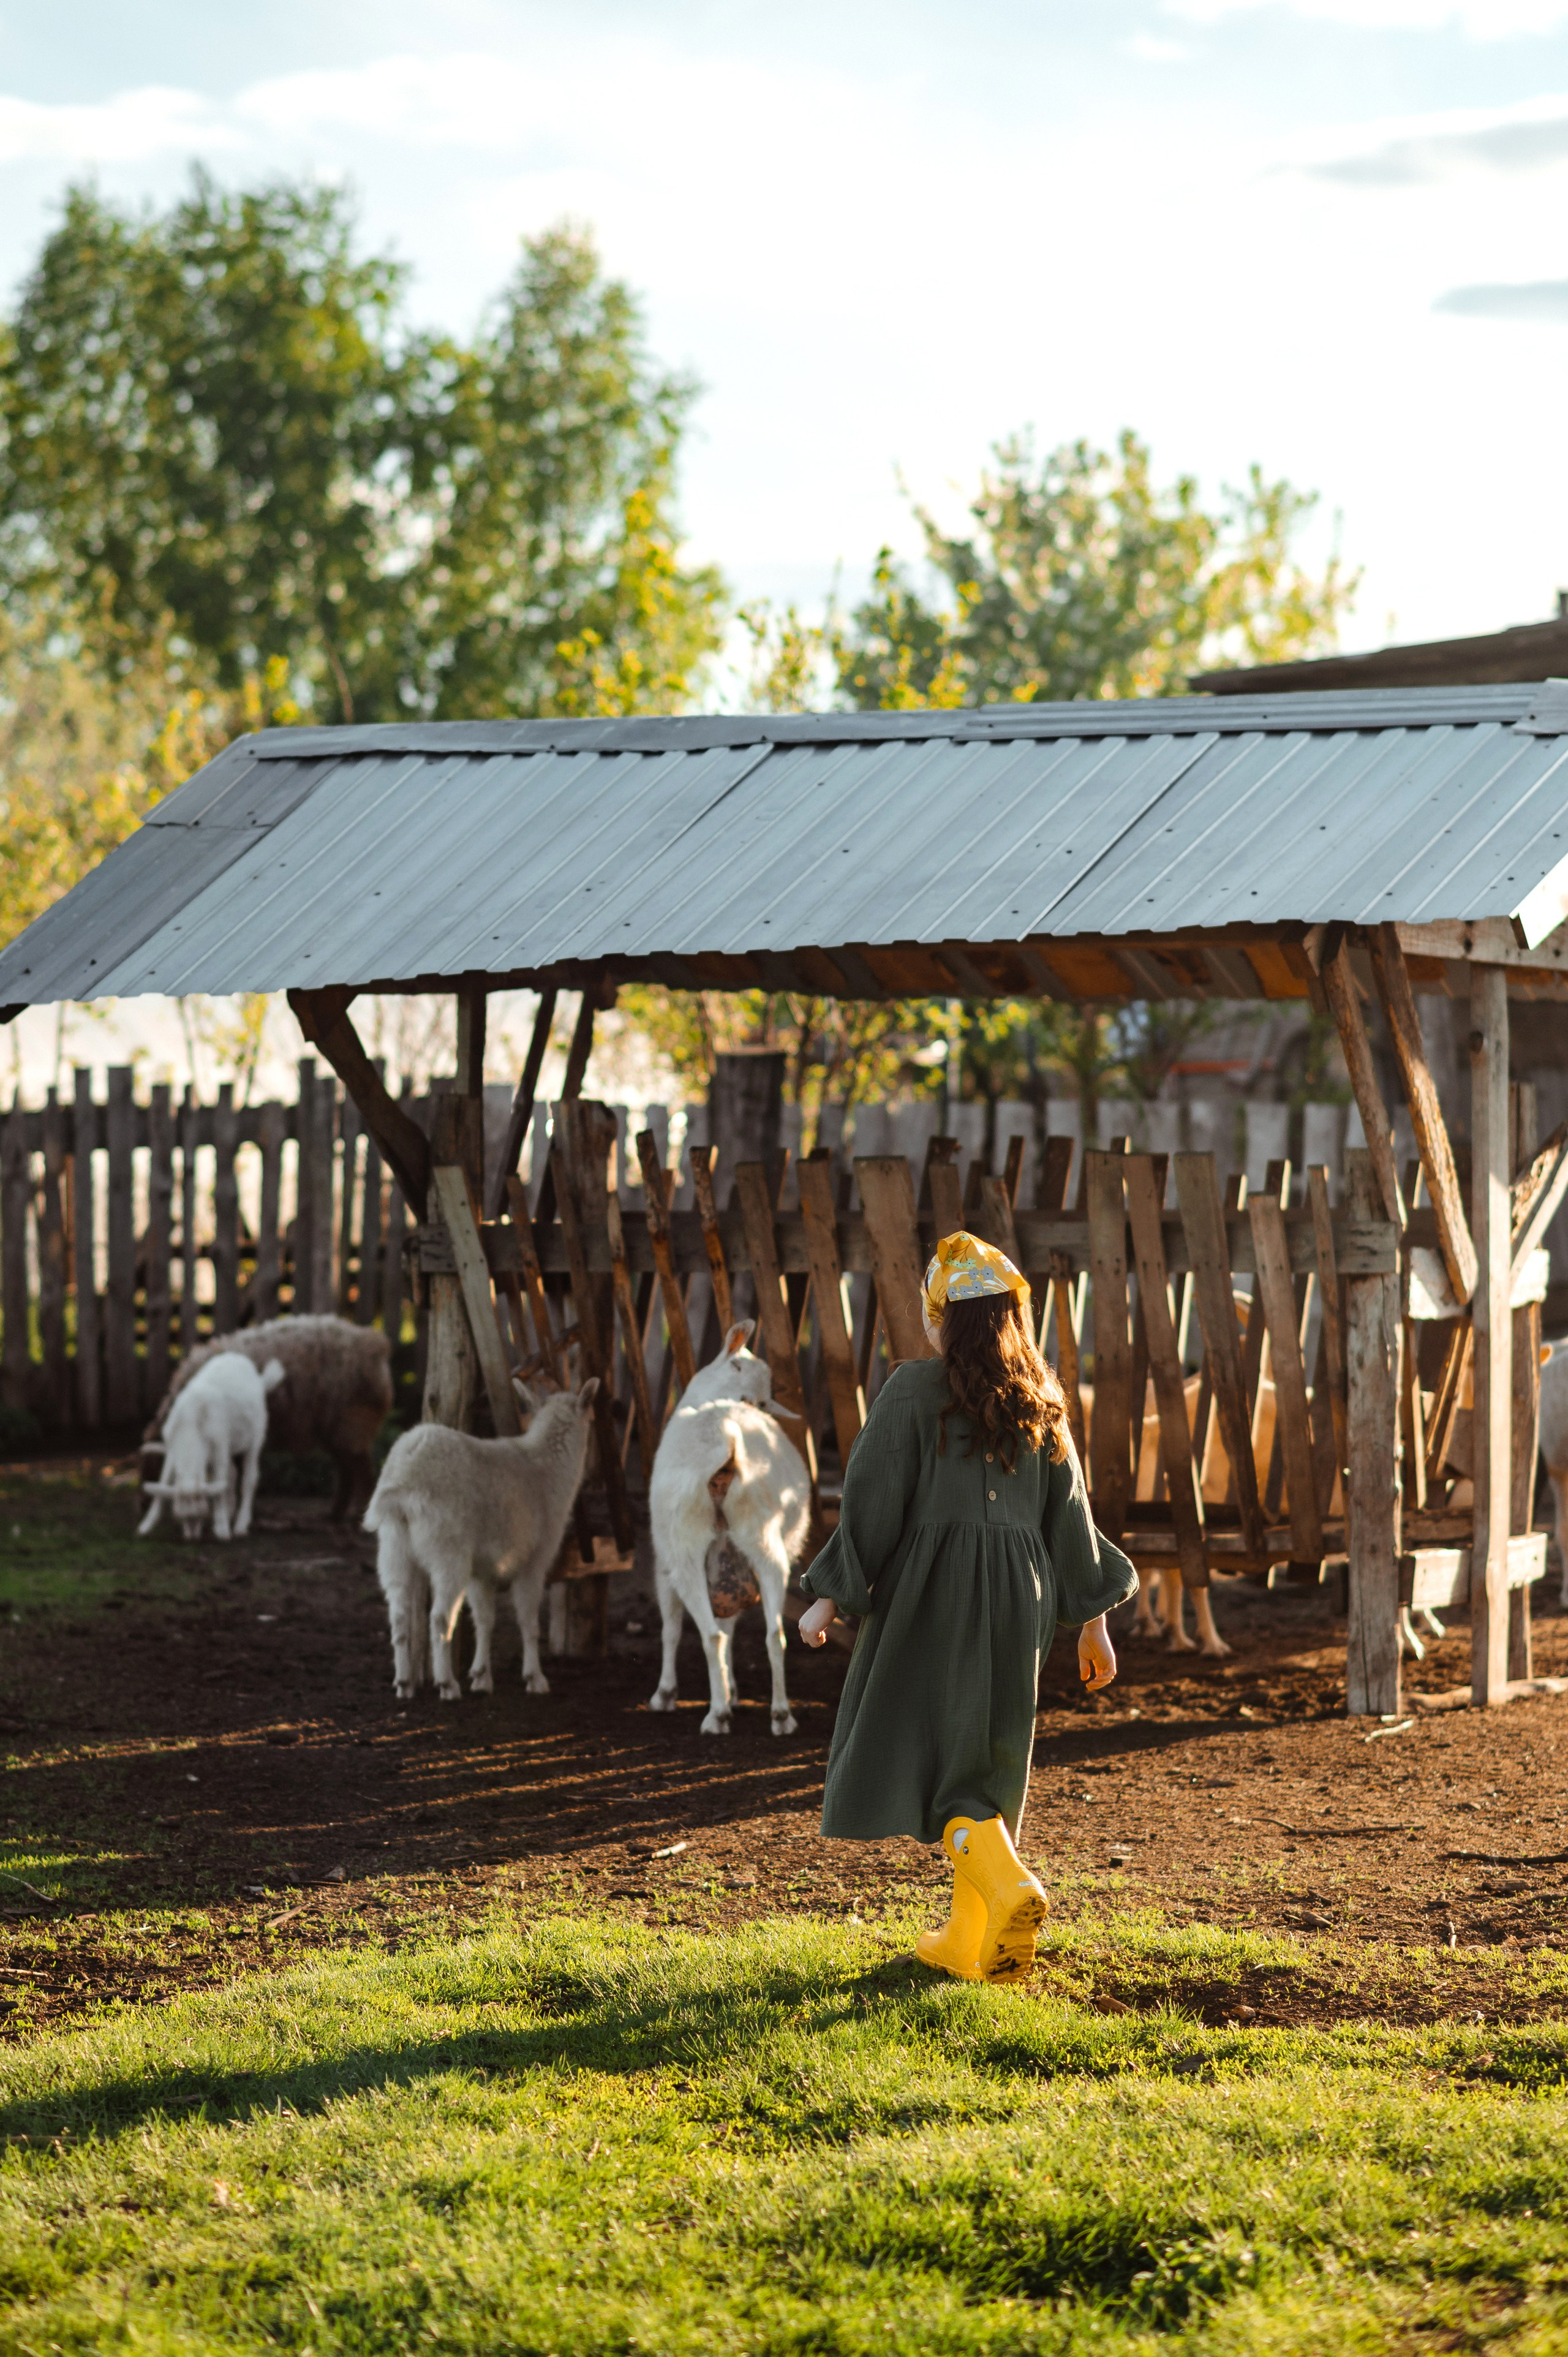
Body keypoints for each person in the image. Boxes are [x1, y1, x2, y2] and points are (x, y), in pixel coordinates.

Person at [797, 1229, 1137, 1985]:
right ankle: (967, 1936)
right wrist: (1094, 1622)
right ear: (1014, 1316)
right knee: (990, 1752)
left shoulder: (912, 1390)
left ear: (941, 1318)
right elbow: (1072, 1517)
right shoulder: (1041, 1397)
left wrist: (829, 1597)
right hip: (1024, 1594)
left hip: (932, 1593)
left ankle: (1010, 1886)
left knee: (929, 1754)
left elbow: (872, 1500)